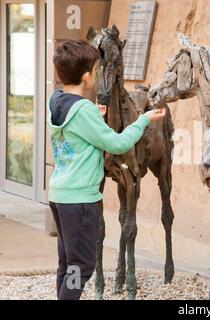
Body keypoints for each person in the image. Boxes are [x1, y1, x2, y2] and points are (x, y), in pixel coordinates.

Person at [47, 40, 165, 300]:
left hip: (59, 195)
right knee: (81, 266)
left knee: (67, 263)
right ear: (88, 76)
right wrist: (143, 120)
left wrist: (94, 119)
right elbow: (117, 143)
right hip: (80, 201)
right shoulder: (84, 111)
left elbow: (78, 132)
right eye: (96, 69)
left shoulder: (54, 102)